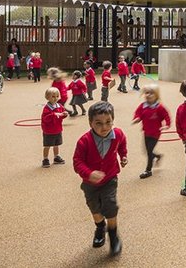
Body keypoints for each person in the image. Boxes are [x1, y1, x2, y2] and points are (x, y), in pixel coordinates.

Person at [72, 101, 128, 256]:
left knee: (110, 205)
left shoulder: (118, 134)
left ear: (113, 120)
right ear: (90, 123)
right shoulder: (84, 141)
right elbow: (77, 163)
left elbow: (122, 144)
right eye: (99, 123)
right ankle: (99, 227)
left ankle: (113, 235)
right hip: (90, 183)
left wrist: (123, 156)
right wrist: (89, 174)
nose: (104, 127)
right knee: (95, 207)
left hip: (110, 178)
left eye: (108, 122)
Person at [132, 84, 171, 179]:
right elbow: (138, 113)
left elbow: (166, 116)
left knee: (149, 151)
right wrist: (137, 118)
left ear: (156, 95)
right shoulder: (143, 106)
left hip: (155, 133)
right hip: (146, 132)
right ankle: (157, 156)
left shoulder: (159, 107)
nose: (148, 95)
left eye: (151, 93)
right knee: (146, 150)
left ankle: (148, 170)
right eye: (146, 93)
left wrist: (167, 125)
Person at [41, 87, 69, 168]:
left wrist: (64, 114)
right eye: (53, 96)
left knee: (56, 144)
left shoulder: (59, 106)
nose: (55, 98)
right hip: (49, 131)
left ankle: (56, 157)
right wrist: (54, 114)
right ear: (48, 97)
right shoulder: (47, 108)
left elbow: (61, 115)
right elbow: (45, 119)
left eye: (57, 96)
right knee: (47, 145)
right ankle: (45, 159)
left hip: (57, 129)